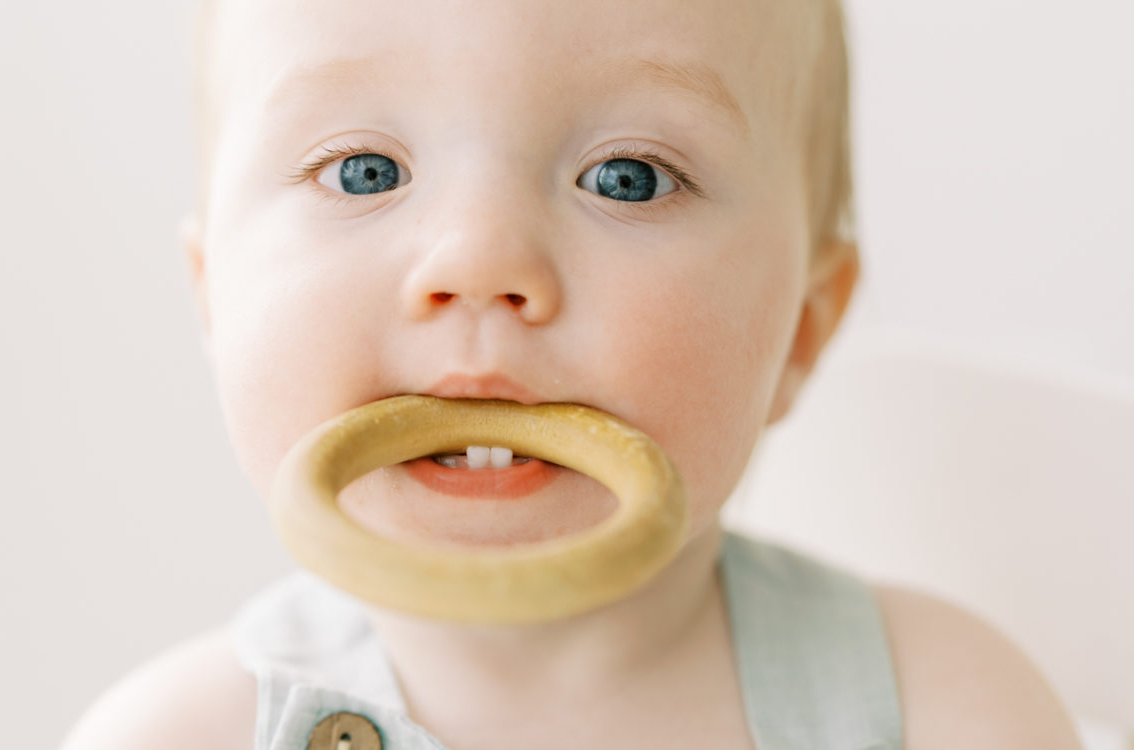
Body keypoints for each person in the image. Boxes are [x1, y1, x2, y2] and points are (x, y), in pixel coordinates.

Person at [62, 0, 1085, 747]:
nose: (477, 260)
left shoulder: (943, 710)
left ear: (802, 330)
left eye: (626, 179)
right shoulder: (172, 736)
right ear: (213, 293)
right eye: (364, 171)